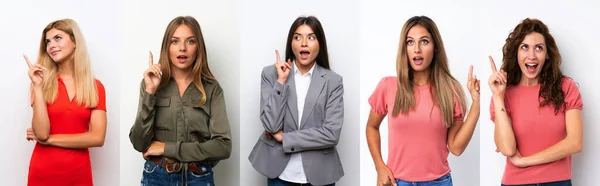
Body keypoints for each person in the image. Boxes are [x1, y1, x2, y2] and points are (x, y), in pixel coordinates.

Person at [365, 15, 481, 186]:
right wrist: (380, 167)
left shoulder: (450, 90)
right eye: (410, 42)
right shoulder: (388, 86)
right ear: (404, 48)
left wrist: (476, 104)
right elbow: (371, 127)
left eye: (424, 41)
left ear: (435, 48)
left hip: (438, 182)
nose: (417, 49)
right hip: (396, 182)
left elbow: (456, 148)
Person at [129, 16, 231, 186]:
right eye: (175, 41)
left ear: (198, 47)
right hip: (157, 177)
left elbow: (223, 147)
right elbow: (140, 143)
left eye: (190, 41)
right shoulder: (151, 84)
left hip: (199, 178)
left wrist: (166, 148)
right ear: (166, 47)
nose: (182, 48)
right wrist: (150, 92)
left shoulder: (212, 89)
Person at [249, 16, 344, 186]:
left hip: (320, 174)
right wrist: (281, 82)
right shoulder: (271, 74)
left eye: (311, 37)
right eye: (297, 37)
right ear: (291, 43)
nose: (304, 43)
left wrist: (285, 138)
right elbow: (270, 125)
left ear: (319, 43)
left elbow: (331, 134)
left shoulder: (333, 81)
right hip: (280, 174)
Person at [490, 18, 583, 186]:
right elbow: (507, 148)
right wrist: (497, 97)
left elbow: (575, 142)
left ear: (547, 54)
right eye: (524, 47)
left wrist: (525, 161)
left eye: (538, 48)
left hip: (557, 182)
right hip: (515, 183)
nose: (531, 55)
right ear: (516, 53)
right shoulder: (503, 94)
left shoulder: (566, 87)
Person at [25, 18, 107, 186]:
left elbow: (98, 138)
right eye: (47, 42)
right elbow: (41, 133)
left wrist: (49, 140)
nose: (51, 45)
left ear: (75, 41)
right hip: (43, 173)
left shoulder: (95, 87)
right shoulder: (39, 85)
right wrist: (38, 86)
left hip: (79, 174)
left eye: (58, 38)